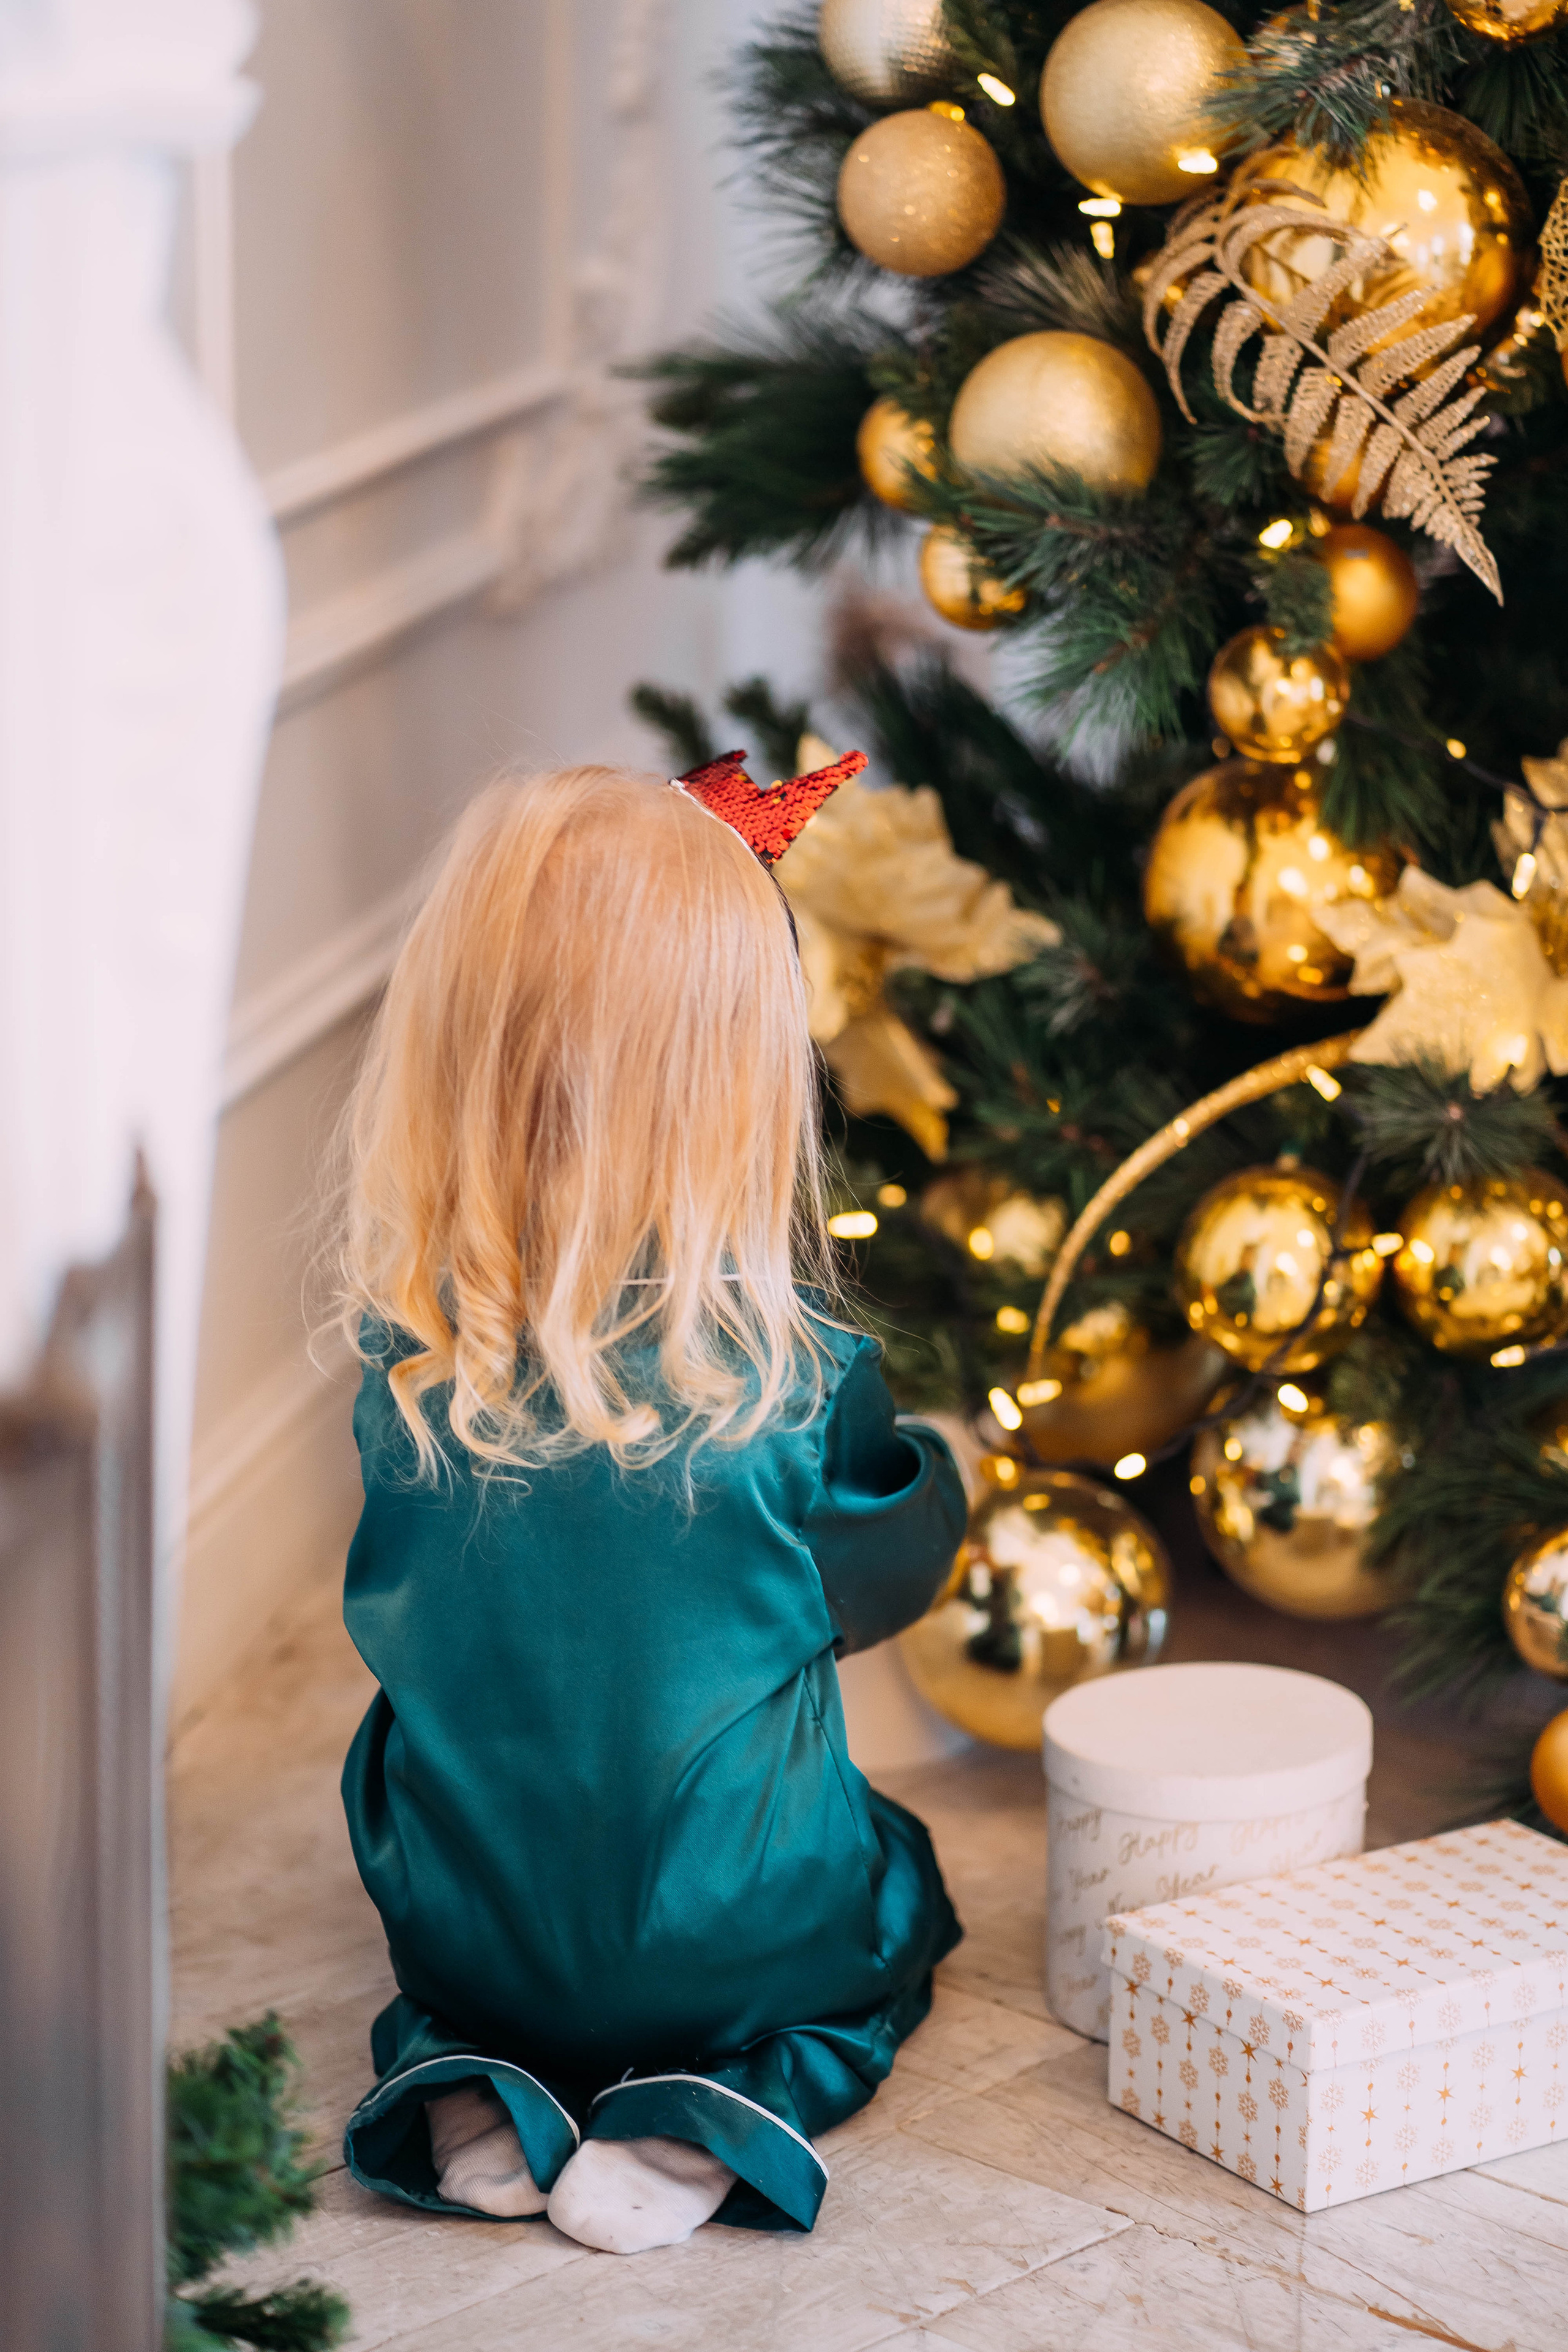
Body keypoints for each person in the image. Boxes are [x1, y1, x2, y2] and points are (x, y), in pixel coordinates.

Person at [332, 753, 967, 2256]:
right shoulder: (798, 1383)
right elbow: (882, 1583)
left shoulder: (407, 1367)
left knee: (442, 1776)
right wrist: (936, 1471)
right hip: (724, 1932)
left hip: (464, 1921)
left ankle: (469, 2070)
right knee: (892, 1891)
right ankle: (709, 2104)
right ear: (743, 1085)